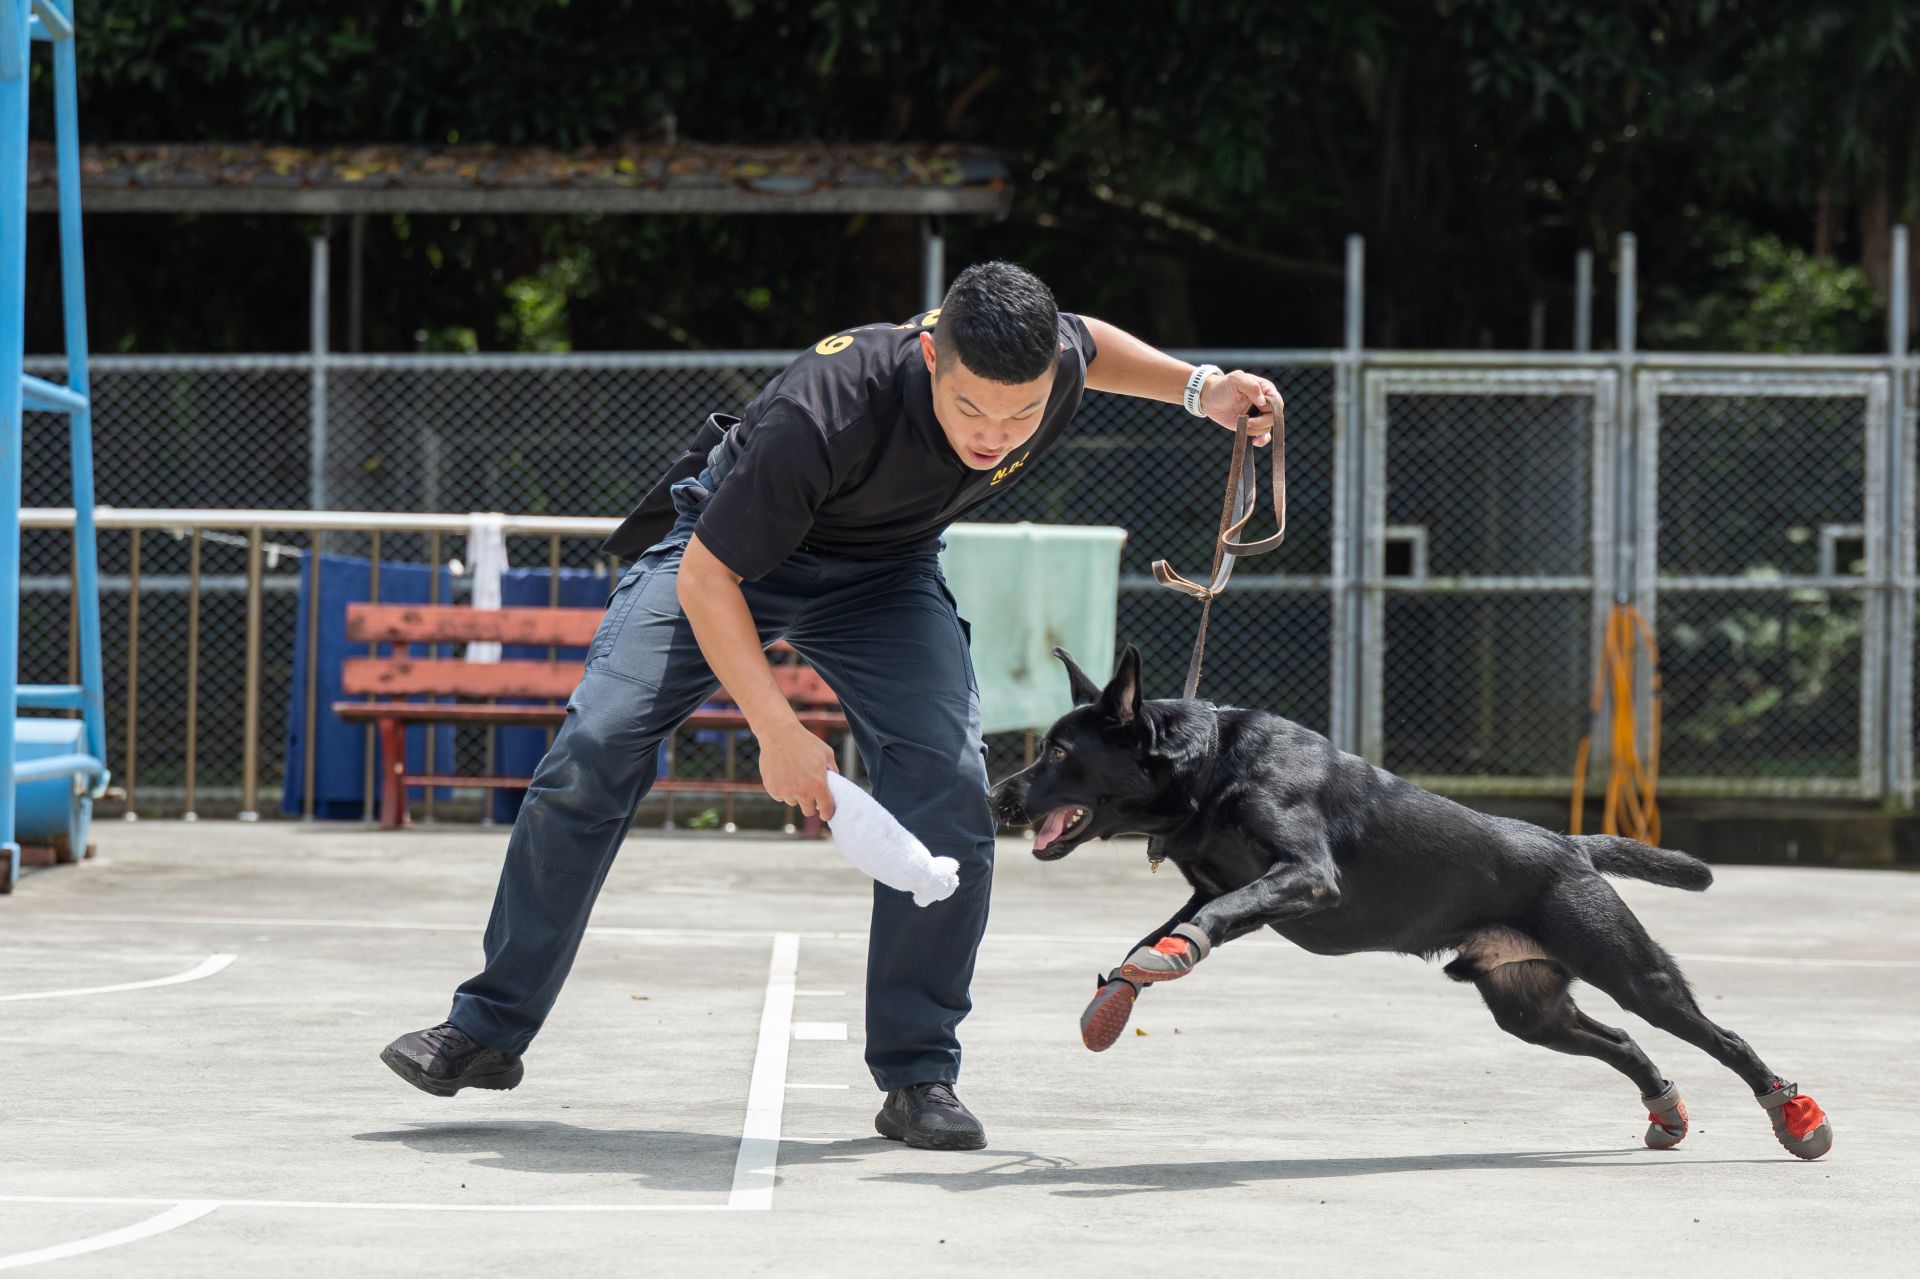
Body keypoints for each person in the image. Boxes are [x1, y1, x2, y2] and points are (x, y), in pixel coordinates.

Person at [381, 260, 1280, 1150]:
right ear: (931, 354)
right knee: (599, 742)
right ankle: (489, 1028)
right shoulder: (826, 407)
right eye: (971, 408)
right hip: (730, 557)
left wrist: (1200, 388)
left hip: (885, 579)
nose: (995, 435)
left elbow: (1089, 338)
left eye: (1021, 414)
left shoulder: (1052, 362)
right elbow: (706, 576)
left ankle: (920, 1072)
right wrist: (777, 729)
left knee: (949, 784)